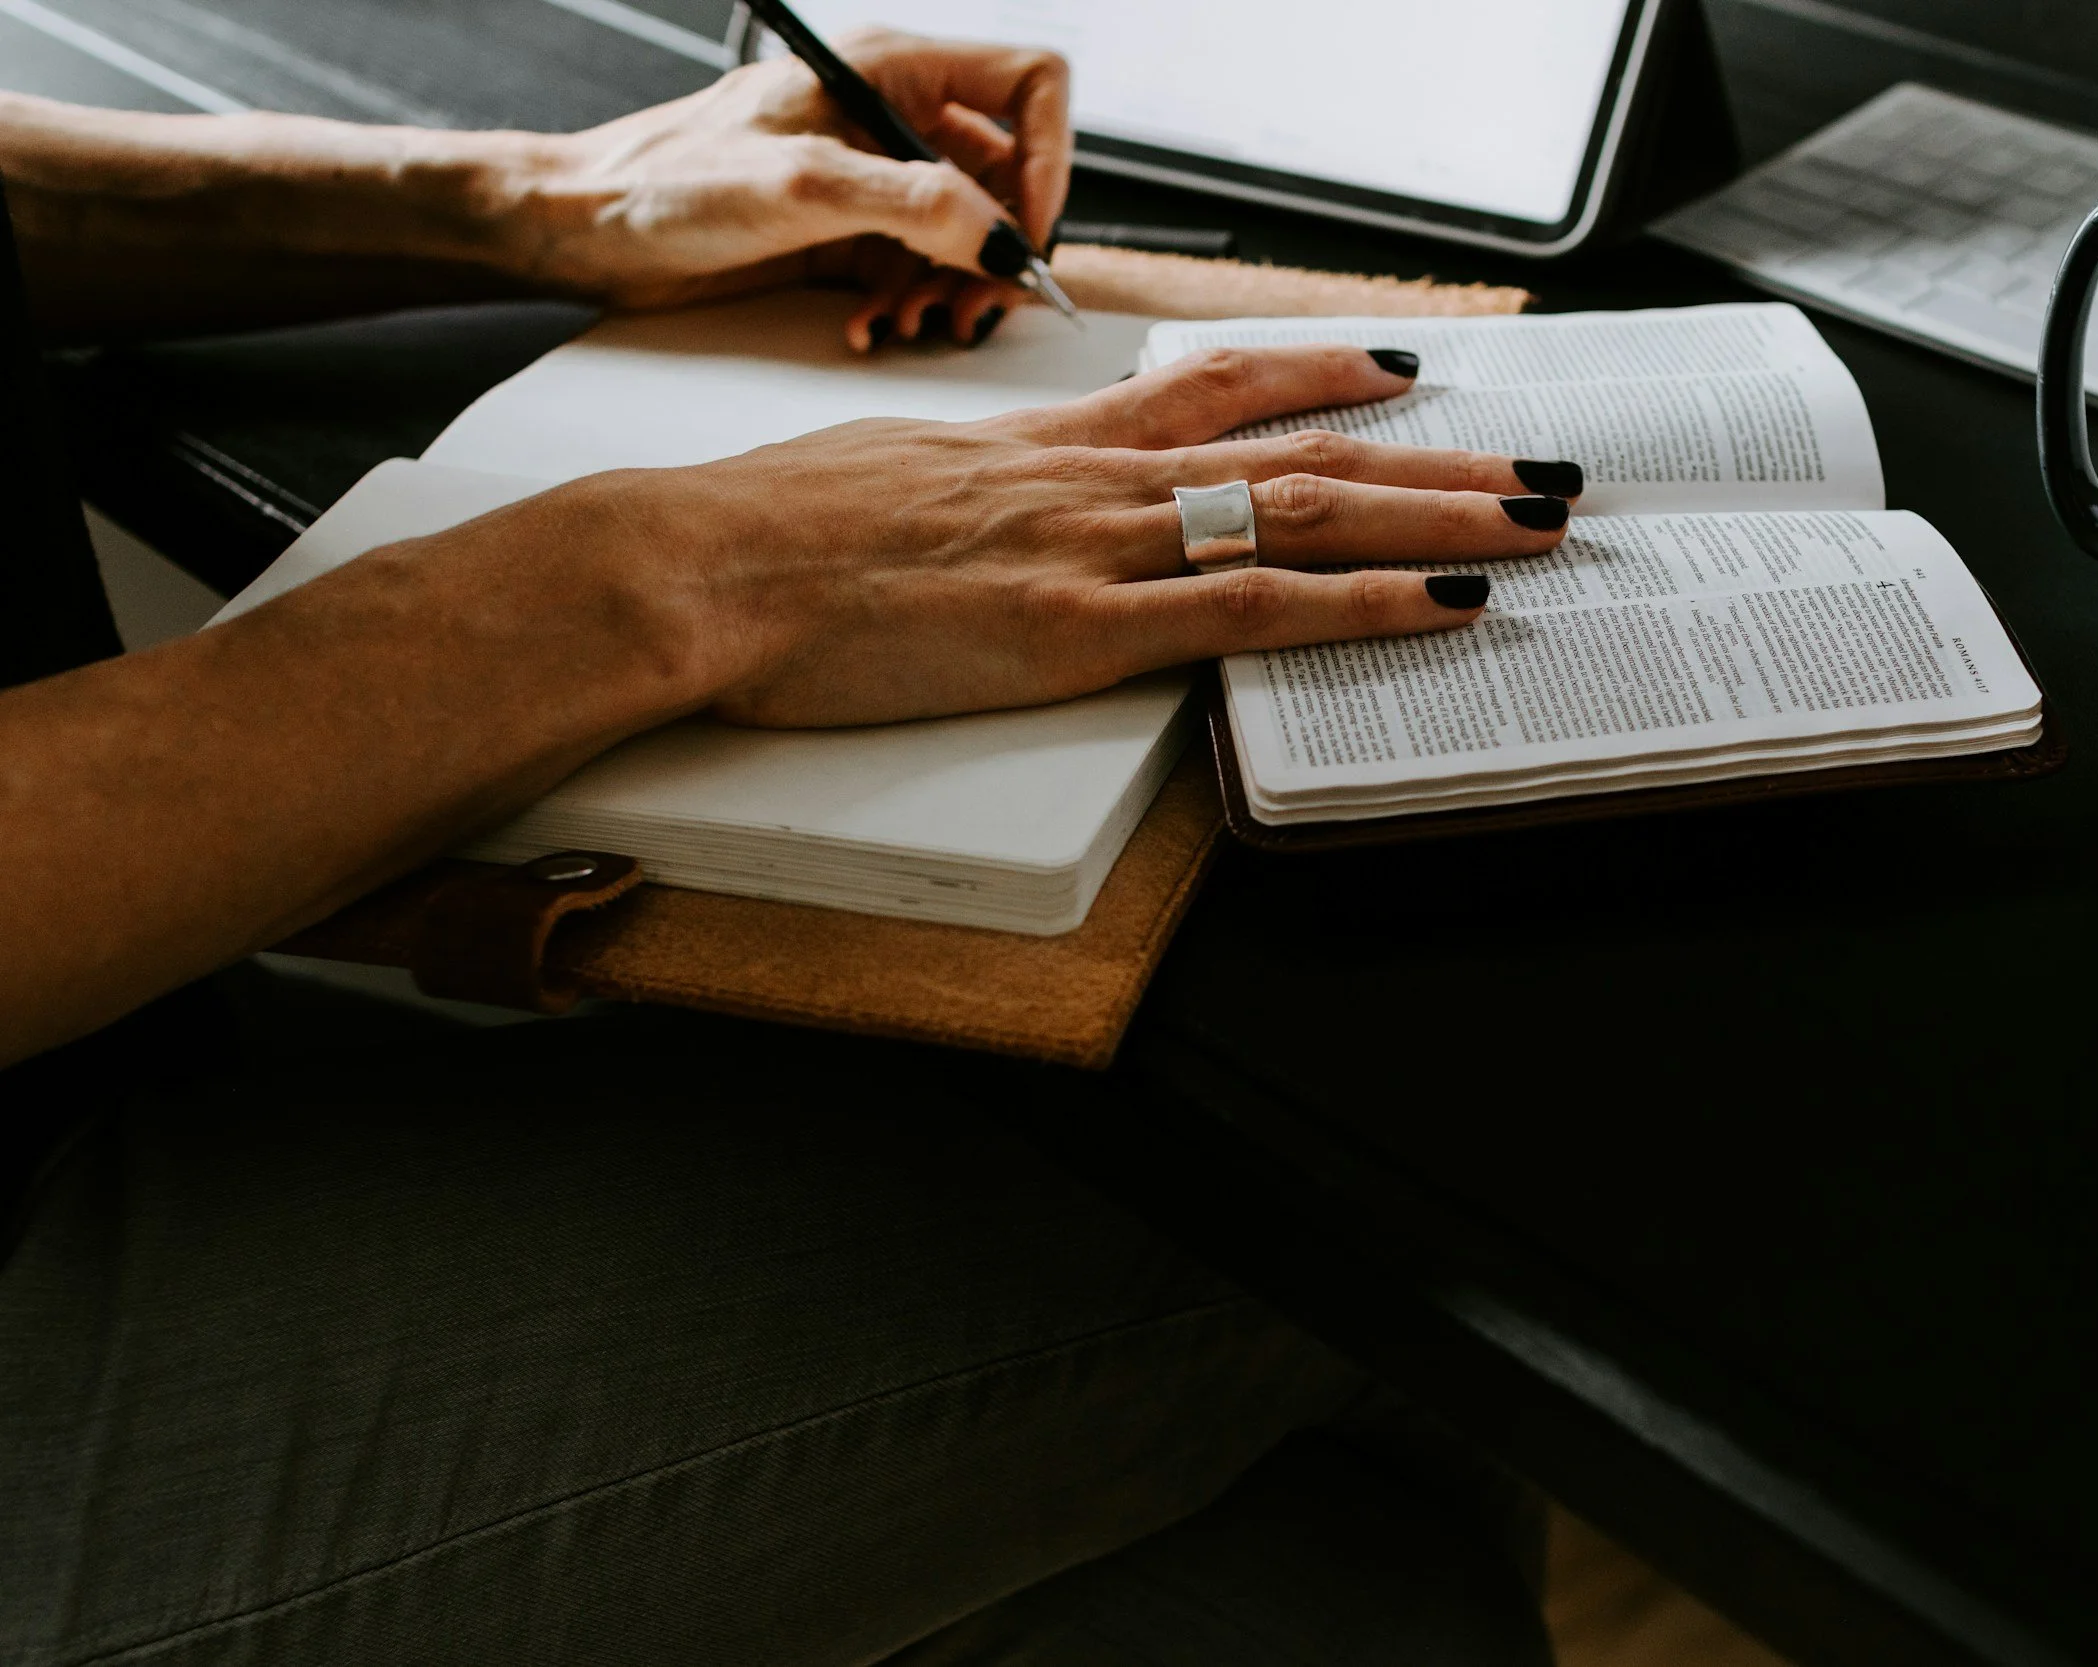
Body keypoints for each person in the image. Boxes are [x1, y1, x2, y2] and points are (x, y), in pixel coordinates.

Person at [0, 30, 1578, 1667]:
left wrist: (540, 196)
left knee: (1337, 1595)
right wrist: (668, 573)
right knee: (1366, 1245)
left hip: (118, 1064)